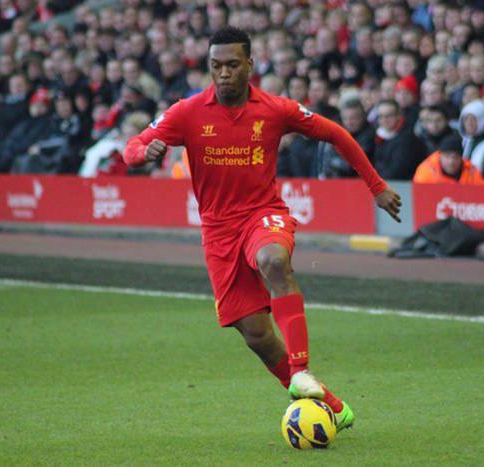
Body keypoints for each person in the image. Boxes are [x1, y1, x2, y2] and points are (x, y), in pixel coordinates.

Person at [123, 27, 402, 432]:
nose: (224, 73)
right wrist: (143, 154)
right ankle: (333, 406)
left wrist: (376, 186)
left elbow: (336, 133)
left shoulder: (276, 109)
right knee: (256, 335)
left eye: (232, 65)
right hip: (218, 232)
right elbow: (132, 145)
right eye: (216, 65)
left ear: (250, 65)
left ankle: (302, 368)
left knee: (273, 260)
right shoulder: (187, 112)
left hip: (263, 214)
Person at [413, 133, 484, 184]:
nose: (451, 161)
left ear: (461, 158)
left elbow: (481, 194)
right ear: (440, 155)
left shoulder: (472, 171)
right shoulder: (427, 170)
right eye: (447, 156)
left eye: (455, 157)